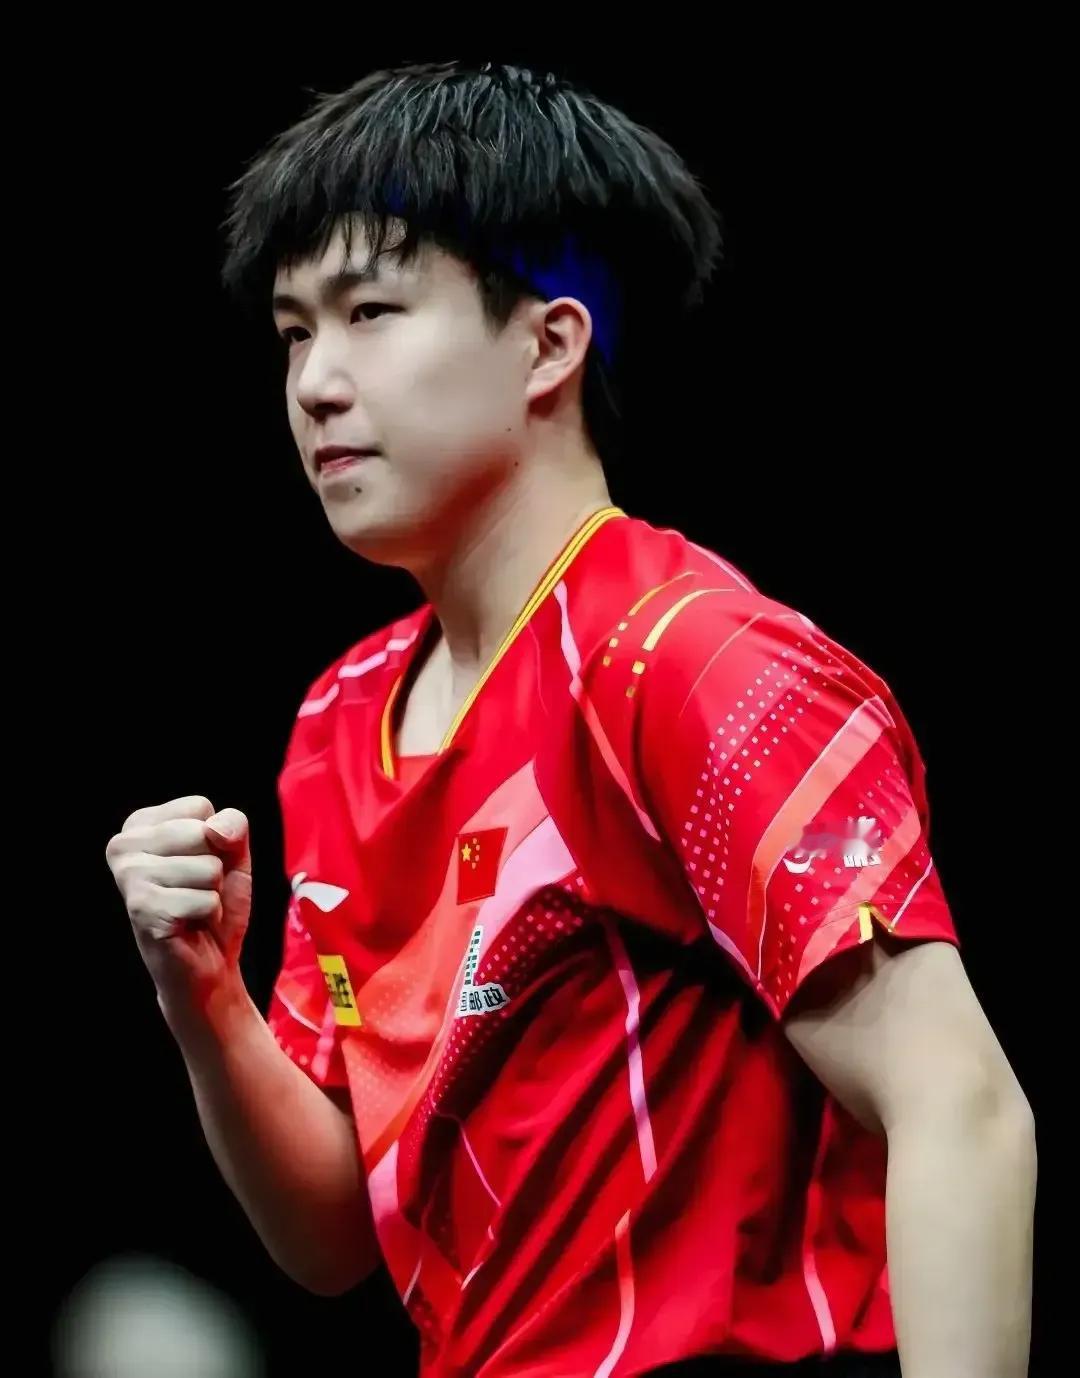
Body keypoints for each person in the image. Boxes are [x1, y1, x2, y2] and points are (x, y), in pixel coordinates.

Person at [104, 62, 1035, 1378]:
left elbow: (960, 1105)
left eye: (371, 312)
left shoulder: (684, 661)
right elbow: (330, 1234)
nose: (314, 382)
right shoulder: (340, 719)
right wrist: (202, 993)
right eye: (294, 331)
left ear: (549, 343)